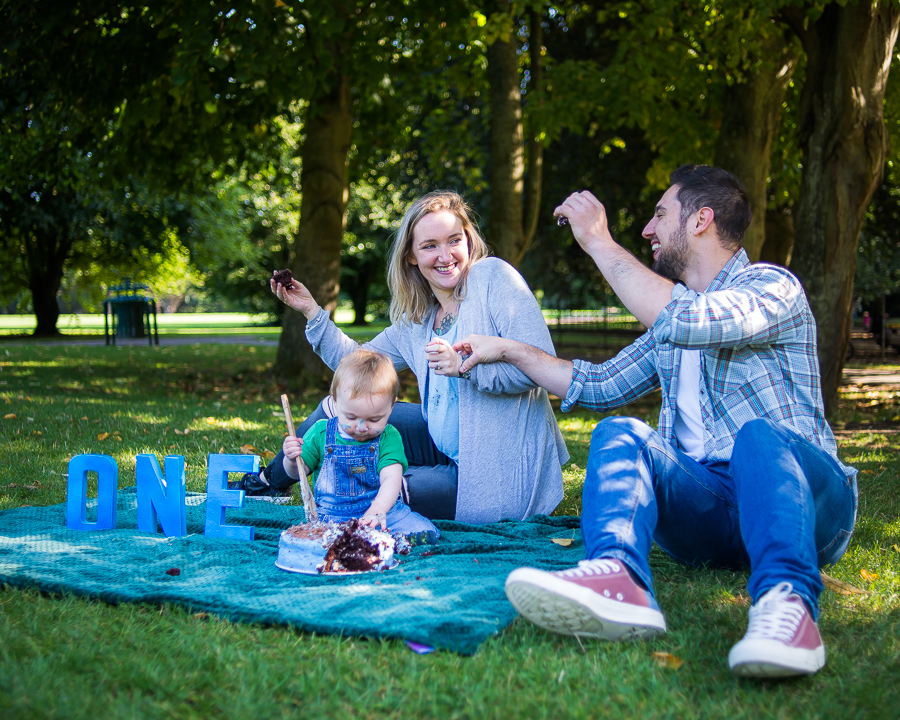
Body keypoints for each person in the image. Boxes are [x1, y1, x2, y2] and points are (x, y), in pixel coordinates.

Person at [450, 165, 857, 678]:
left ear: (701, 220)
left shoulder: (773, 287)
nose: (647, 229)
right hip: (710, 514)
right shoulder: (672, 321)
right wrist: (506, 349)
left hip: (807, 507)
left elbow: (690, 320)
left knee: (757, 435)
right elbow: (596, 385)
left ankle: (787, 606)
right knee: (621, 432)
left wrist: (598, 241)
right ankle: (618, 579)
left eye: (660, 214)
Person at [247, 190, 568, 524]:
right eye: (430, 246)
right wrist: (312, 312)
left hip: (496, 468)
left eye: (454, 240)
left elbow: (540, 369)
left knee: (373, 493)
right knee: (337, 411)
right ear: (411, 256)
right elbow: (357, 363)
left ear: (468, 241)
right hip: (440, 442)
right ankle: (269, 483)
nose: (445, 256)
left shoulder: (494, 280)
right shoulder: (418, 319)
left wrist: (466, 369)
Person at [282, 349, 439, 542]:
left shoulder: (388, 437)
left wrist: (379, 509)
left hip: (383, 513)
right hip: (333, 518)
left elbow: (391, 478)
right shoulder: (321, 433)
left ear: (391, 407)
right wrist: (291, 459)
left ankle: (376, 538)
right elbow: (297, 473)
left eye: (374, 419)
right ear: (335, 401)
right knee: (319, 540)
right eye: (351, 417)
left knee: (422, 532)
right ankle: (364, 540)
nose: (362, 427)